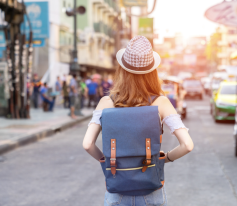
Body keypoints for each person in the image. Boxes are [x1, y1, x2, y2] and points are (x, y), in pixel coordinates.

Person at [83, 36, 194, 206]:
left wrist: (106, 162)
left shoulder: (106, 102)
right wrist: (165, 159)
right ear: (152, 72)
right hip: (150, 190)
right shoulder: (161, 103)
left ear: (122, 70)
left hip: (117, 190)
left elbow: (87, 144)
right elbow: (187, 145)